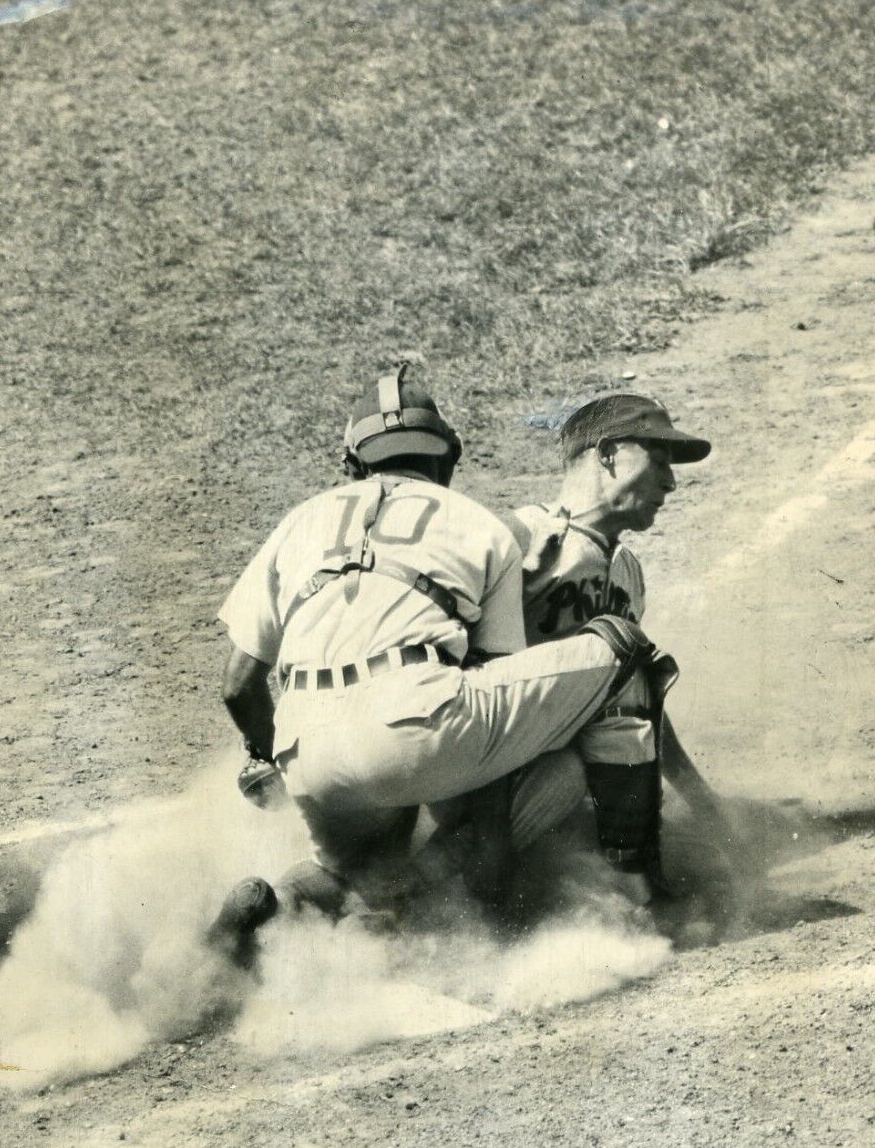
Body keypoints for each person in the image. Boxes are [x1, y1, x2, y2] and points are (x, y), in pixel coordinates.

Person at [208, 366, 678, 956]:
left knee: (351, 864)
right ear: (449, 460)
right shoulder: (478, 524)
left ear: (351, 466)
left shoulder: (299, 521)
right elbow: (485, 687)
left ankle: (276, 912)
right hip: (416, 719)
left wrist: (272, 760)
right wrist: (491, 864)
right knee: (621, 645)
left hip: (306, 746)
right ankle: (643, 891)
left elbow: (238, 685)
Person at [505, 388, 734, 909]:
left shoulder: (627, 571)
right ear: (606, 454)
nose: (671, 482)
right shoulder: (518, 536)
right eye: (657, 461)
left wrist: (702, 802)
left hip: (550, 787)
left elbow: (641, 700)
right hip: (480, 783)